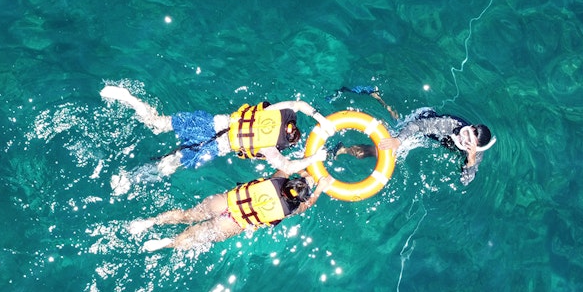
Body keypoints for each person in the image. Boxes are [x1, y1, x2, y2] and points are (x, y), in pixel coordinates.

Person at [101, 85, 337, 177]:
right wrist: (316, 157)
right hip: (213, 147)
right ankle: (129, 178)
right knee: (169, 166)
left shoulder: (273, 112)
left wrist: (320, 117)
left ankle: (129, 98)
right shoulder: (268, 148)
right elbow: (287, 167)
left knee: (158, 123)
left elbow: (298, 105)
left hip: (210, 124)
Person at [129, 173, 334, 252]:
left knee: (186, 215)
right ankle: (167, 242)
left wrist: (308, 171)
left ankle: (150, 222)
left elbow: (290, 166)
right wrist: (319, 188)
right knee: (193, 237)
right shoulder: (290, 210)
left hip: (222, 203)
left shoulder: (277, 178)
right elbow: (308, 204)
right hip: (233, 223)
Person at [331, 88, 495, 186]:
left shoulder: (476, 154)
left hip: (433, 138)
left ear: (475, 147)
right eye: (466, 132)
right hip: (424, 120)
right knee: (387, 148)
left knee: (394, 129)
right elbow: (417, 126)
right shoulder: (449, 125)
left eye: (468, 142)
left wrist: (471, 160)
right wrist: (398, 140)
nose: (462, 137)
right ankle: (343, 149)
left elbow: (465, 181)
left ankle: (381, 100)